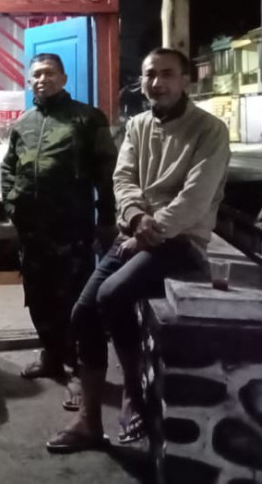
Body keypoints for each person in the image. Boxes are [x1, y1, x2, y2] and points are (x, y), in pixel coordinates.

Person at [47, 47, 230, 453]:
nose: (157, 83)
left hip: (182, 241)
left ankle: (134, 392)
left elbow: (195, 198)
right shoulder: (137, 125)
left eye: (167, 74)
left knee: (112, 295)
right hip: (135, 233)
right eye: (149, 75)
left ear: (185, 80)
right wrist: (134, 218)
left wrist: (151, 228)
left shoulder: (209, 130)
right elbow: (123, 178)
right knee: (82, 313)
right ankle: (89, 421)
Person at [0, 53, 117, 405]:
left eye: (49, 73)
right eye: (36, 74)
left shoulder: (87, 118)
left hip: (72, 229)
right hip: (32, 231)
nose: (42, 80)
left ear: (63, 79)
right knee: (39, 296)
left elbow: (107, 173)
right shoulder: (24, 123)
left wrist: (106, 219)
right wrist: (12, 205)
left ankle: (78, 369)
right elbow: (8, 168)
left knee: (75, 301)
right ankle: (51, 354)